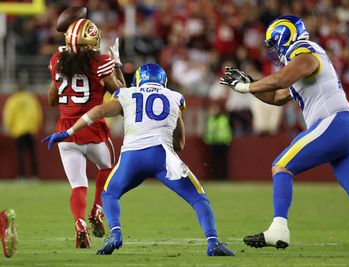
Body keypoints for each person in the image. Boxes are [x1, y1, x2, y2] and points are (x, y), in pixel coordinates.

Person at [220, 15, 349, 249]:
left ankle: (279, 229)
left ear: (286, 37)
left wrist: (245, 87)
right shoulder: (301, 63)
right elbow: (276, 96)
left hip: (335, 123)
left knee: (282, 165)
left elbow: (281, 80)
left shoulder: (304, 50)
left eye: (274, 44)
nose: (273, 51)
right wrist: (253, 84)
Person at [42, 63, 235, 256]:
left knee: (109, 195)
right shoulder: (175, 97)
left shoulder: (126, 94)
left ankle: (116, 234)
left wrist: (69, 131)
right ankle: (213, 242)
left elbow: (98, 111)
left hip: (132, 157)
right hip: (162, 157)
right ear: (163, 81)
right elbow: (180, 144)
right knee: (199, 198)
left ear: (138, 79)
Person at [47, 18, 125, 248]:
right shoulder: (101, 62)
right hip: (92, 128)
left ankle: (80, 223)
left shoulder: (57, 60)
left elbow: (52, 99)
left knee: (78, 185)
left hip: (65, 132)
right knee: (109, 170)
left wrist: (59, 76)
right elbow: (122, 95)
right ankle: (97, 210)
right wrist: (117, 65)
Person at [3, 83, 42, 179]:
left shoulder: (13, 100)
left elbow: (9, 115)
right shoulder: (31, 99)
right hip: (30, 129)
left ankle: (22, 175)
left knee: (20, 155)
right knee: (32, 154)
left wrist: (9, 126)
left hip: (18, 130)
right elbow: (37, 113)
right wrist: (36, 127)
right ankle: (34, 175)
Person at [204, 102, 232, 180]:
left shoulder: (225, 118)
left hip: (223, 143)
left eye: (215, 109)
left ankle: (224, 178)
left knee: (223, 161)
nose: (213, 111)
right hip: (212, 143)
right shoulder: (210, 119)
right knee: (212, 162)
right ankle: (213, 177)